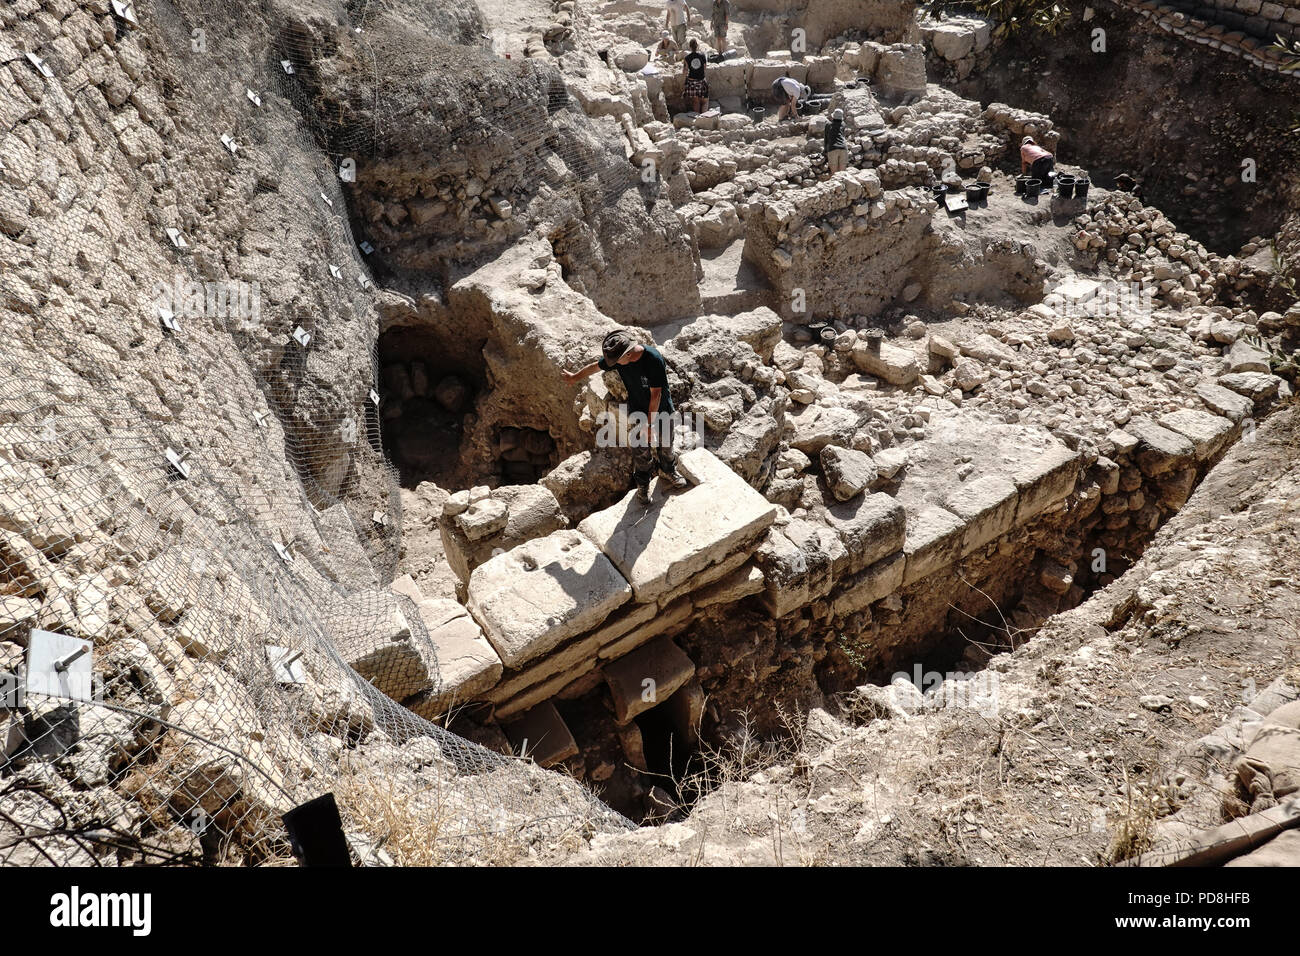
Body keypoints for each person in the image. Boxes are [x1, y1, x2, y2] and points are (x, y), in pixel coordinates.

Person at [562, 329, 688, 503]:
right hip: (638, 412)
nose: (613, 364)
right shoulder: (617, 358)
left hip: (661, 410)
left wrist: (650, 425)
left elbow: (656, 395)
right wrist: (575, 377)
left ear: (628, 354)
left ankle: (668, 470)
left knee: (666, 444)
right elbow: (594, 367)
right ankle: (643, 487)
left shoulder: (653, 359)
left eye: (616, 361)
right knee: (641, 451)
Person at [683, 39, 709, 113]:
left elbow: (685, 71)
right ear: (697, 46)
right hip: (701, 80)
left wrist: (684, 81)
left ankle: (697, 120)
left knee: (696, 101)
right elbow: (705, 68)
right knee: (705, 101)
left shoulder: (687, 58)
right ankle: (704, 119)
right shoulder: (702, 55)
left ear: (690, 47)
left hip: (691, 81)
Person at [824, 107, 848, 174]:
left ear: (833, 117)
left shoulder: (828, 125)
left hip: (832, 148)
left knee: (834, 174)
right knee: (842, 174)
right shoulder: (843, 124)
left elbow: (826, 139)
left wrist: (825, 151)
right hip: (843, 148)